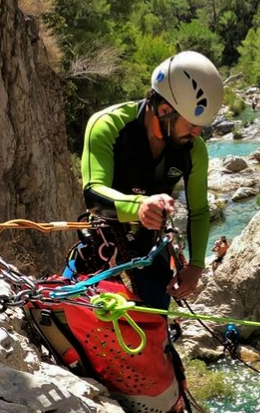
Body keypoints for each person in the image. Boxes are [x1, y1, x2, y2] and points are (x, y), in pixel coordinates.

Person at [80, 50, 223, 309]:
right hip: (102, 247)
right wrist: (139, 207)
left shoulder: (194, 150)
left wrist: (196, 266)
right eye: (192, 123)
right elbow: (93, 194)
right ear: (166, 109)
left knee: (154, 325)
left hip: (150, 248)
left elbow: (200, 211)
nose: (198, 132)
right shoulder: (108, 126)